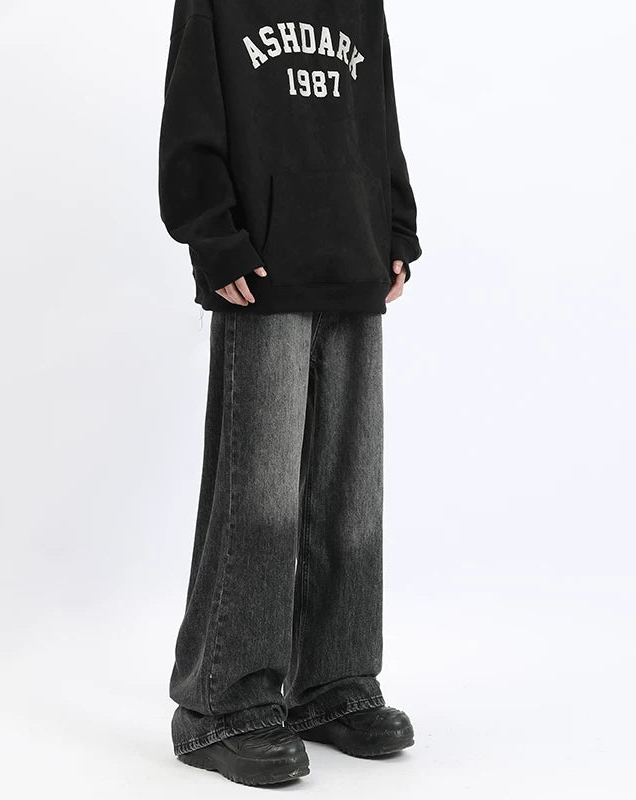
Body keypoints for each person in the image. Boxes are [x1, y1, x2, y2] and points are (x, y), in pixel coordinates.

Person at [158, 0, 422, 786]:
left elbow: (378, 115)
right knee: (261, 492)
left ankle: (334, 682)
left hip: (354, 255)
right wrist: (213, 235)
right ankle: (221, 702)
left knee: (351, 490)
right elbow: (191, 117)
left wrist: (396, 226)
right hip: (262, 269)